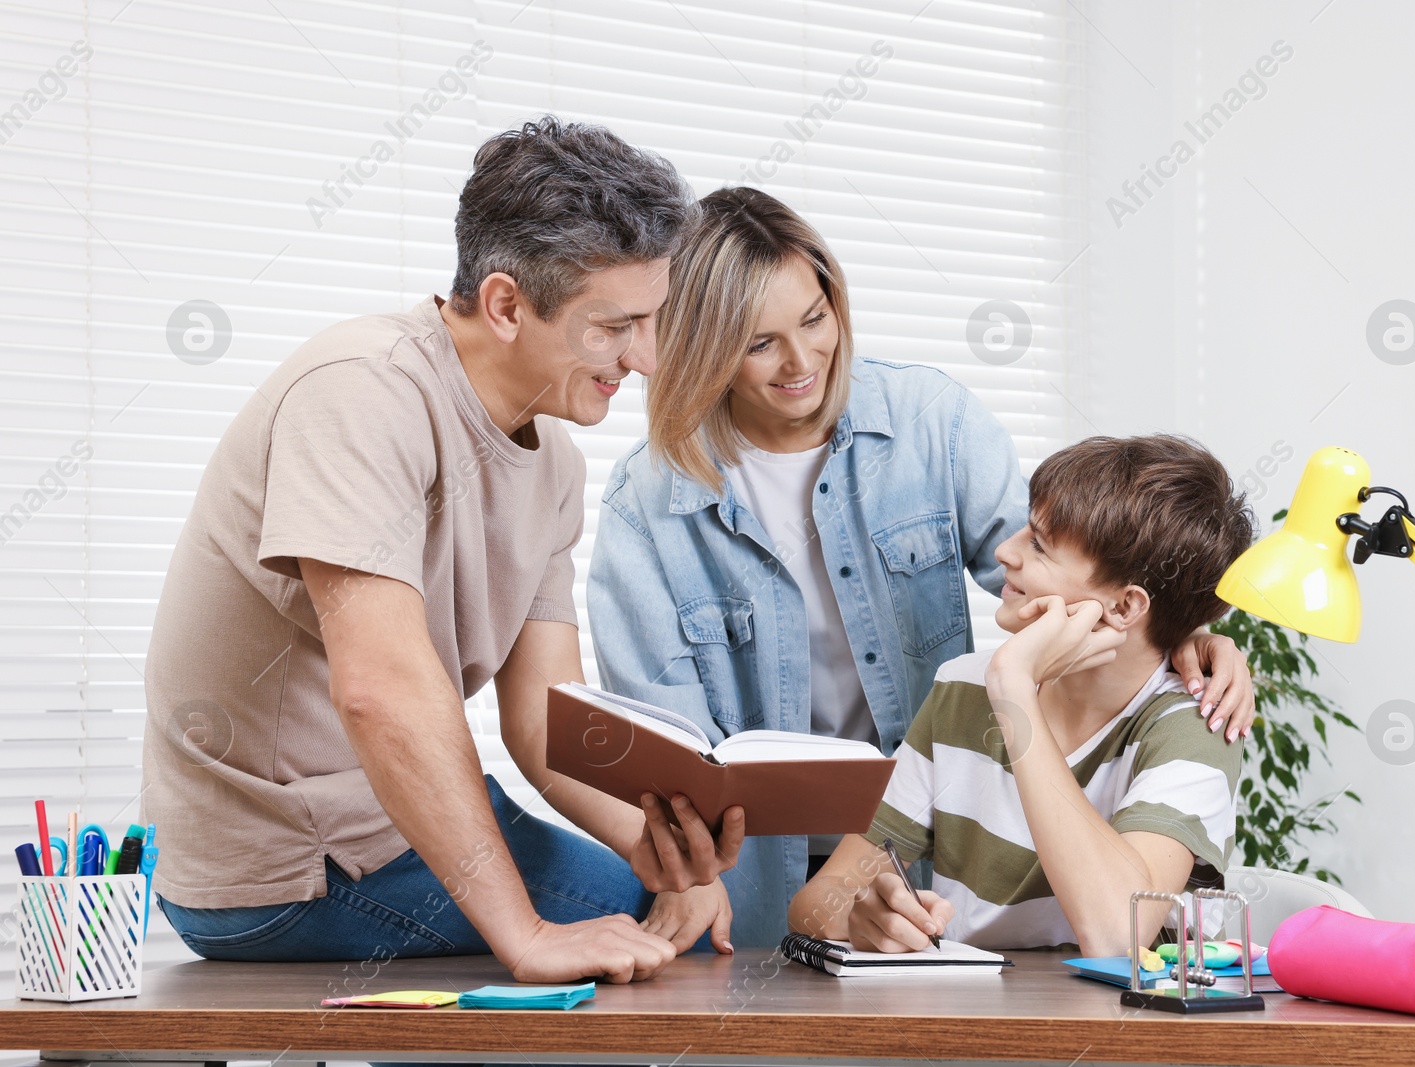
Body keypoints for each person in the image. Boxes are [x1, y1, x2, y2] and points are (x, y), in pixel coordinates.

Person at [142, 117, 743, 986]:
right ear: (505, 304)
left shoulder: (556, 461)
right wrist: (528, 936)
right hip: (286, 864)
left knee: (664, 914)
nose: (645, 359)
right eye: (615, 326)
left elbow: (542, 722)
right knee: (625, 944)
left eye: (652, 321)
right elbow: (380, 692)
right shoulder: (360, 393)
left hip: (390, 825)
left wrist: (659, 847)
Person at [587, 188, 1257, 949]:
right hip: (750, 861)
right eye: (758, 342)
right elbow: (673, 760)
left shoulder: (930, 423)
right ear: (705, 347)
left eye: (815, 318)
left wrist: (1186, 633)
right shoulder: (648, 505)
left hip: (921, 844)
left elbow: (1075, 575)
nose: (803, 361)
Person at [788, 435, 1255, 955]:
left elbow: (1116, 935)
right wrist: (859, 919)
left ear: (1123, 608)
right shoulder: (964, 688)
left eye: (1038, 545)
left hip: (1119, 1029)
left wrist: (1015, 692)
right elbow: (814, 903)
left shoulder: (1195, 724)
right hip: (970, 1017)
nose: (1003, 552)